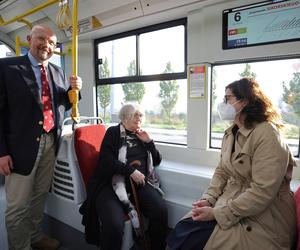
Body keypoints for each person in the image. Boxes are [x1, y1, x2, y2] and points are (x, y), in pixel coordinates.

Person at [167, 78, 296, 250]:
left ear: (245, 101)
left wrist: (217, 213)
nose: (223, 104)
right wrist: (208, 199)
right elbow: (222, 171)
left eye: (228, 99)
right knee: (182, 232)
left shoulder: (268, 135)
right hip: (234, 203)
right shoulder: (231, 133)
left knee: (193, 241)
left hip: (264, 217)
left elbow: (262, 192)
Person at [0, 25, 82, 250]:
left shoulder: (57, 72)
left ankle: (35, 236)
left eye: (52, 43)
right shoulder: (6, 67)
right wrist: (1, 152)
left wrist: (77, 90)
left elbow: (65, 103)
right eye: (41, 39)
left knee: (39, 196)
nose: (47, 45)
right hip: (18, 148)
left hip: (50, 142)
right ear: (29, 39)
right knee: (17, 206)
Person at [80, 103, 168, 250]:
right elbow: (105, 162)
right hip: (111, 183)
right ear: (126, 117)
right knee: (114, 224)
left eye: (141, 115)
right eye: (135, 115)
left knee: (160, 209)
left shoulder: (141, 135)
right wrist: (130, 171)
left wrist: (149, 142)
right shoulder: (113, 132)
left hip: (139, 184)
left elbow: (157, 161)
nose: (139, 118)